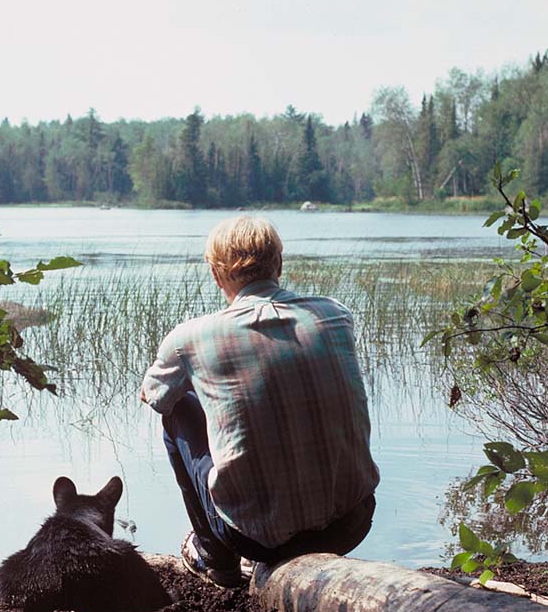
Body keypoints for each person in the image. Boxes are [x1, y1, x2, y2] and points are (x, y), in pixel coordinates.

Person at [140, 215, 380, 587]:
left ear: (217, 275)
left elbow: (154, 398)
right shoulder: (335, 315)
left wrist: (200, 389)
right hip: (352, 522)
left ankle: (216, 559)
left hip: (257, 540)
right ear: (279, 264)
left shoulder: (190, 338)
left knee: (179, 410)